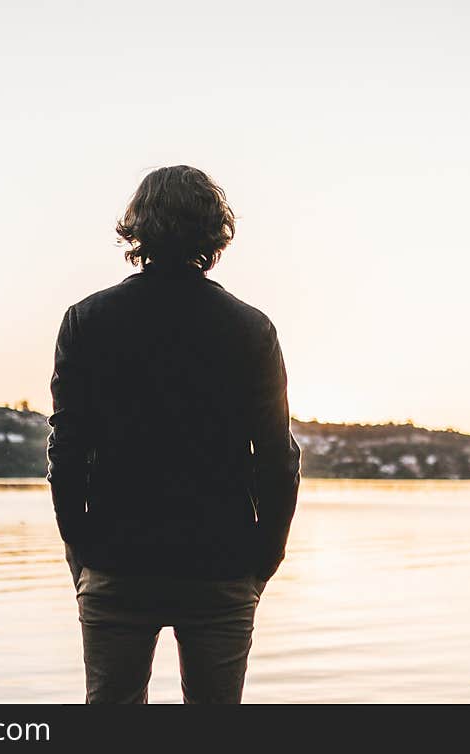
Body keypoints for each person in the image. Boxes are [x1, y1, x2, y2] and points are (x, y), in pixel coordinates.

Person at [47, 165, 301, 704]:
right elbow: (277, 458)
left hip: (117, 559)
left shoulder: (87, 320)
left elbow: (66, 450)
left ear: (136, 228)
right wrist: (265, 556)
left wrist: (81, 547)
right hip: (222, 565)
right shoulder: (251, 329)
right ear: (215, 233)